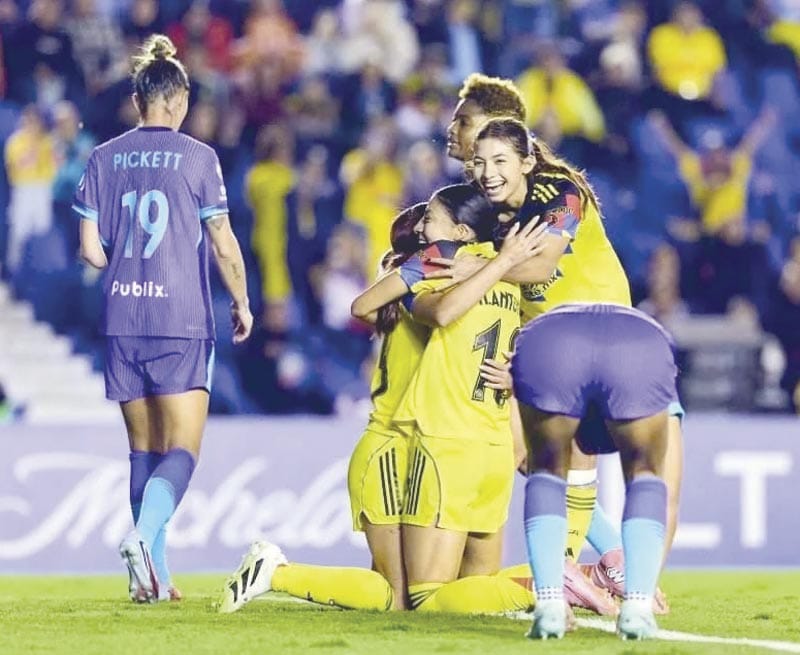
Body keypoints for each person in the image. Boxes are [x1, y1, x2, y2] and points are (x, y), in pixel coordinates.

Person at [430, 116, 682, 608]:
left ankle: (608, 564)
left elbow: (541, 266)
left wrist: (475, 265)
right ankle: (595, 563)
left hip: (613, 344)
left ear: (526, 161)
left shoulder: (558, 190)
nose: (486, 172)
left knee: (637, 465)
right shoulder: (492, 218)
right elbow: (506, 293)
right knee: (532, 457)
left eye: (499, 161)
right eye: (478, 163)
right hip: (553, 352)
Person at [73, 34, 253, 603]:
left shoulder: (102, 157)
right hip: (181, 317)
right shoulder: (200, 158)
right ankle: (143, 540)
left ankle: (154, 577)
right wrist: (242, 302)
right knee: (183, 449)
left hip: (123, 316)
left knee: (143, 450)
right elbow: (222, 241)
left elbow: (90, 250)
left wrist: (121, 258)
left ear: (137, 100)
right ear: (178, 102)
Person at [217, 203, 427, 614]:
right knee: (400, 596)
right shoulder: (419, 294)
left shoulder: (411, 289)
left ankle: (562, 582)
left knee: (406, 590)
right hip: (393, 445)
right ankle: (275, 573)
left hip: (416, 445)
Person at [512, 304, 677, 640]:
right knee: (646, 475)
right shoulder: (653, 373)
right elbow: (668, 494)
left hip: (548, 340)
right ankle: (638, 612)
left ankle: (549, 606)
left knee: (546, 470)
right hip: (638, 342)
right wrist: (641, 584)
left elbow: (522, 459)